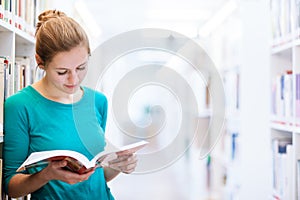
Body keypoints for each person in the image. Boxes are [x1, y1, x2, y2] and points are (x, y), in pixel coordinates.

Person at [3, 9, 137, 199]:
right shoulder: (20, 105)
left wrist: (118, 167)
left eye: (81, 67)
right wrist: (47, 174)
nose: (74, 79)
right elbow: (12, 186)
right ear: (40, 62)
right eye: (62, 71)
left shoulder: (98, 102)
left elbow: (95, 177)